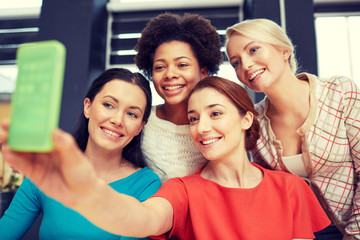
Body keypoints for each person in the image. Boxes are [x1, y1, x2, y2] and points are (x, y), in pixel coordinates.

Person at [0, 76, 330, 239]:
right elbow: (138, 220)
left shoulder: (290, 189)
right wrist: (81, 182)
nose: (202, 127)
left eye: (215, 113)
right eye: (193, 118)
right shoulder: (181, 191)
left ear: (246, 119)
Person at [225, 18, 360, 240]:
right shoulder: (254, 121)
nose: (246, 65)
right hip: (299, 232)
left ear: (284, 50)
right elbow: (266, 189)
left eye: (254, 49)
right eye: (236, 62)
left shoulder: (340, 92)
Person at [0, 68, 161, 240]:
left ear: (139, 127)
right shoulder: (48, 171)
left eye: (131, 114)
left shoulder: (146, 185)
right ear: (88, 107)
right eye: (108, 105)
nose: (117, 120)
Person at [134, 12, 223, 182]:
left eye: (182, 65)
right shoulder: (141, 122)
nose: (170, 74)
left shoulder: (216, 126)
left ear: (203, 72)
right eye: (160, 67)